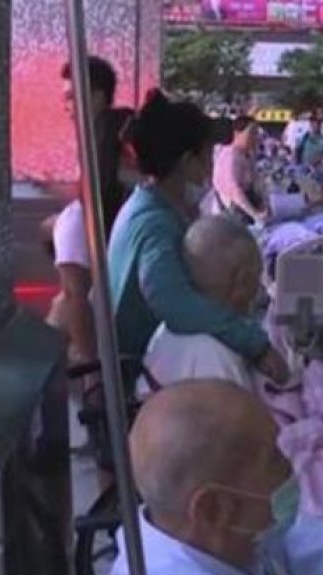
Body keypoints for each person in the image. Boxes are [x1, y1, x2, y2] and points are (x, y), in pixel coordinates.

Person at [110, 380, 323, 575]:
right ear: (214, 509)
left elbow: (291, 537)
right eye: (274, 460)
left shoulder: (220, 533)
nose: (290, 468)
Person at [108, 90, 289, 390]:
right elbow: (175, 303)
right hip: (138, 379)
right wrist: (254, 343)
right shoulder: (154, 223)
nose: (210, 166)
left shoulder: (157, 208)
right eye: (206, 156)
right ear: (187, 161)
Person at [44, 57, 136, 364]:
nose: (66, 106)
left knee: (71, 298)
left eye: (72, 97)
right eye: (65, 98)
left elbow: (112, 185)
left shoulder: (109, 132)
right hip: (97, 236)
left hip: (92, 233)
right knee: (66, 302)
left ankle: (86, 366)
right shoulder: (108, 131)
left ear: (97, 96)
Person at [212, 116, 266, 224]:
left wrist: (263, 204)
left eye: (256, 133)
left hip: (247, 203)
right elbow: (234, 190)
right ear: (237, 133)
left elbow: (256, 181)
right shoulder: (229, 155)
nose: (255, 138)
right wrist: (255, 214)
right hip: (232, 209)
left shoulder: (248, 154)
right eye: (252, 133)